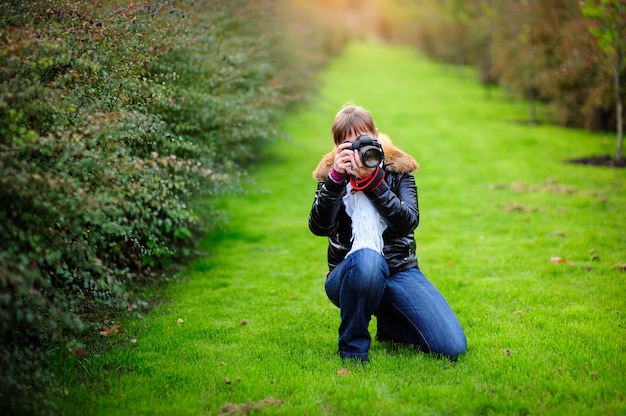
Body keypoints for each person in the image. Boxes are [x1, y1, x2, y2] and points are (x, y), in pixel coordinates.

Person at [308, 104, 467, 362]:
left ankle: (392, 323)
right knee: (368, 258)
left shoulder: (398, 170)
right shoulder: (332, 175)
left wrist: (373, 182)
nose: (357, 151)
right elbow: (319, 226)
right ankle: (353, 351)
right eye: (347, 145)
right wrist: (336, 179)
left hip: (399, 271)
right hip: (348, 275)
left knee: (451, 346)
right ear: (336, 148)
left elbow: (407, 222)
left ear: (376, 134)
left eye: (362, 140)